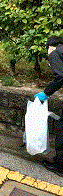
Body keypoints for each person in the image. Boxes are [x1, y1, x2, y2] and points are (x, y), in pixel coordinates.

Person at [34, 36, 63, 176]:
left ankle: (60, 166)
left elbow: (60, 77)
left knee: (62, 130)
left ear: (50, 46)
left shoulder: (55, 52)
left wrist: (46, 93)